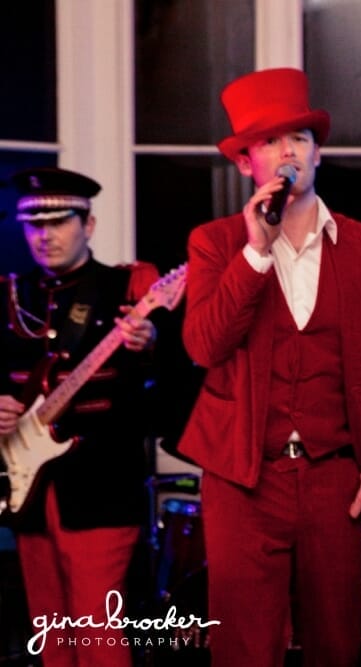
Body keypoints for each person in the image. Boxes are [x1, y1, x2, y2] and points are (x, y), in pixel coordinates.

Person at [176, 68, 361, 666]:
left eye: (300, 139)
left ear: (317, 153)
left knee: (336, 644)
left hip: (334, 476)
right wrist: (255, 252)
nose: (288, 152)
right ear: (246, 163)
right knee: (243, 649)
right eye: (270, 142)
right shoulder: (215, 243)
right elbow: (204, 346)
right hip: (242, 478)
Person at [0, 167, 159, 667]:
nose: (44, 236)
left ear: (88, 225)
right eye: (34, 224)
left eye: (58, 222)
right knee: (49, 634)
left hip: (101, 488)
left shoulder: (125, 289)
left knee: (97, 636)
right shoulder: (10, 294)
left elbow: (173, 380)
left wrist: (151, 345)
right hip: (27, 491)